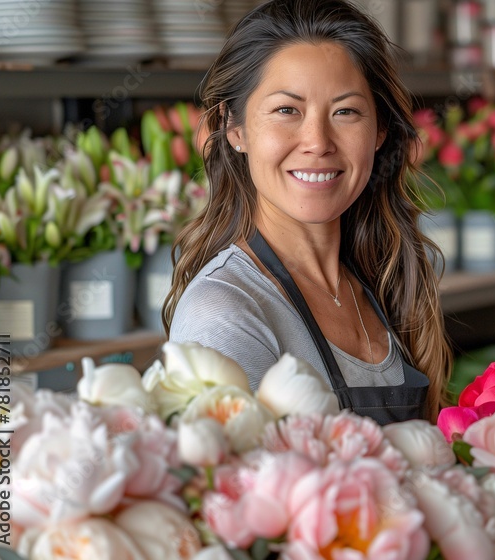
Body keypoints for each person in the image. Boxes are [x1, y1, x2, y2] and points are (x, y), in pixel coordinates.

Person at [164, 0, 452, 424]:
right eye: (287, 110)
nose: (318, 141)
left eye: (346, 112)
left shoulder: (386, 279)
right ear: (235, 128)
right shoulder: (224, 314)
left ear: (380, 131)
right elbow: (238, 488)